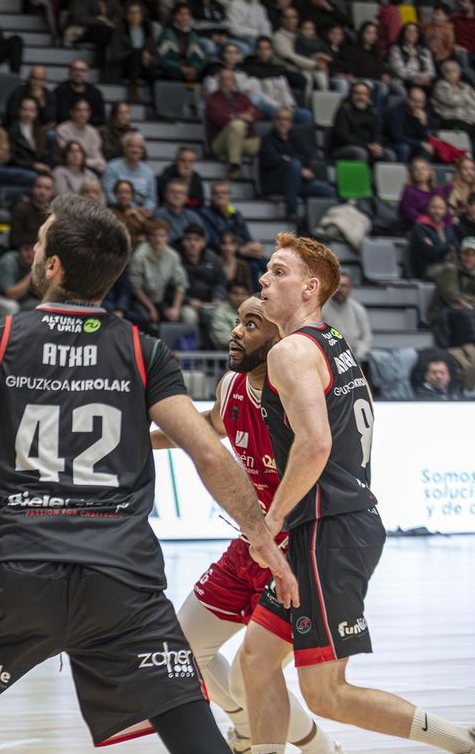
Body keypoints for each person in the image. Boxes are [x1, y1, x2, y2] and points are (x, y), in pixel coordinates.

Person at [0, 194, 295, 751]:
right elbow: (209, 455)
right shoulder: (142, 349)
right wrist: (262, 538)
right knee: (194, 738)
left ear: (54, 266)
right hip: (122, 587)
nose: (34, 249)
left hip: (19, 577)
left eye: (39, 242)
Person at [242, 234, 475, 754]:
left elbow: (316, 444)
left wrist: (272, 521)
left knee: (326, 694)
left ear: (310, 288)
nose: (264, 279)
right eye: (266, 270)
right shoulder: (333, 341)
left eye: (278, 272)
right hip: (338, 521)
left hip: (331, 528)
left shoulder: (290, 351)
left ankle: (463, 740)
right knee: (257, 662)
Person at [149, 296, 342, 753]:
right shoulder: (231, 385)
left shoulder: (298, 394)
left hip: (300, 547)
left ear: (280, 341)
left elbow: (324, 453)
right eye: (238, 321)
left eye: (251, 324)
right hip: (252, 544)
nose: (236, 331)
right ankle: (245, 731)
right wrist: (140, 442)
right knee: (182, 650)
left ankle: (320, 749)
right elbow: (208, 426)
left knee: (250, 673)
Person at [206, 65, 262, 176]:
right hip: (220, 142)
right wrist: (241, 116)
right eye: (224, 79)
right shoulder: (213, 99)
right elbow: (221, 119)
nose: (227, 82)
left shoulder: (242, 97)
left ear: (234, 82)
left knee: (266, 144)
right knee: (237, 125)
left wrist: (250, 116)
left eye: (230, 79)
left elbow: (258, 113)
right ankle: (234, 166)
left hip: (244, 141)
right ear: (219, 81)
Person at [102, 130, 157, 210]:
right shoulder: (112, 167)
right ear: (124, 148)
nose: (136, 150)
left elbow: (151, 198)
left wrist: (145, 210)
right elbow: (108, 193)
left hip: (142, 213)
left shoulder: (148, 172)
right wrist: (129, 208)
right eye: (131, 146)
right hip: (118, 211)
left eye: (139, 147)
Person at [323, 272, 373, 357]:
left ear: (350, 288)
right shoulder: (320, 309)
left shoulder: (358, 309)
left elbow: (367, 338)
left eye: (343, 286)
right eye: (336, 285)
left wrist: (358, 355)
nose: (339, 289)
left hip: (354, 357)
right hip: (329, 357)